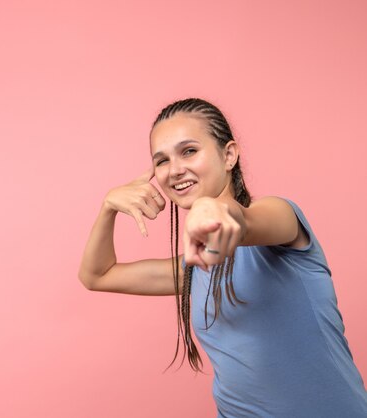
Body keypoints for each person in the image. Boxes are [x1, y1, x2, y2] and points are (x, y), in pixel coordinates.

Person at [78, 98, 367, 417]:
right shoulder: (195, 266)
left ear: (228, 155)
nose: (174, 170)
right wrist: (108, 207)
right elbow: (97, 275)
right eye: (162, 160)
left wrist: (209, 208)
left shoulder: (281, 219)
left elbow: (242, 220)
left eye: (189, 151)